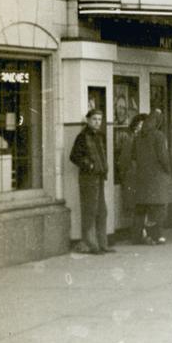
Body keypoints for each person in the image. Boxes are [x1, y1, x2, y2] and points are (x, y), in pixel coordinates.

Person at [131, 109, 172, 245]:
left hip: (142, 176)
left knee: (142, 207)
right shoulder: (159, 135)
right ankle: (156, 235)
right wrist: (168, 171)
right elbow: (163, 157)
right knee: (159, 208)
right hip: (157, 176)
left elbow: (133, 157)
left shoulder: (138, 137)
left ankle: (138, 236)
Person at [69, 109, 113, 254]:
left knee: (102, 211)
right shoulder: (82, 137)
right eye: (94, 119)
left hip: (99, 177)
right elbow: (74, 156)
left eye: (99, 119)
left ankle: (103, 244)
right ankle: (91, 245)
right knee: (90, 211)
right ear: (88, 120)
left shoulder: (100, 135)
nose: (97, 122)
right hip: (88, 178)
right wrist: (89, 165)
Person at [115, 113, 147, 220]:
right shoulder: (128, 138)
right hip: (132, 174)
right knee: (135, 204)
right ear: (135, 124)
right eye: (140, 124)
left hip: (138, 175)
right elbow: (123, 159)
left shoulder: (144, 139)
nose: (141, 127)